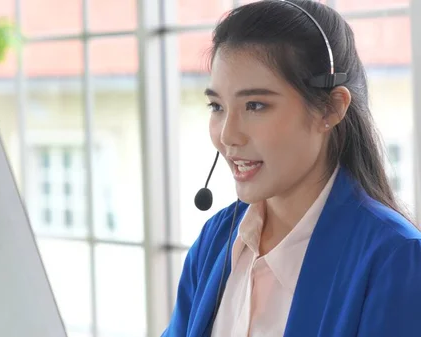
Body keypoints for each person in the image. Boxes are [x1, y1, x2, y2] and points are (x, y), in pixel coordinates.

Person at [162, 0, 421, 336]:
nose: (227, 135)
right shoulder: (216, 240)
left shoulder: (395, 260)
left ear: (330, 108)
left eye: (255, 105)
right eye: (217, 106)